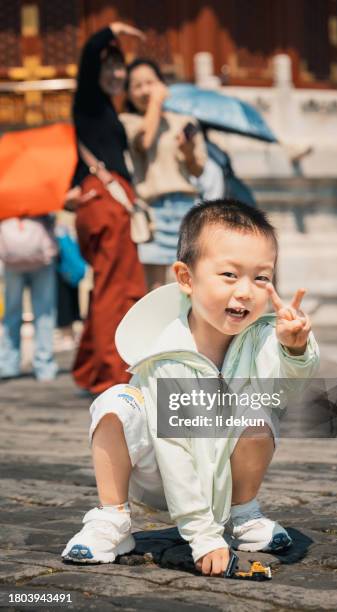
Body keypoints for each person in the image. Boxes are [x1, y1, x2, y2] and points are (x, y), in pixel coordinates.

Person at [61, 199, 319, 575]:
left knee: (260, 408)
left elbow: (290, 392)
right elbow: (174, 453)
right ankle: (111, 519)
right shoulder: (169, 354)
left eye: (261, 277)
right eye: (230, 275)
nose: (246, 291)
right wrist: (203, 536)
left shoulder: (263, 337)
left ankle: (243, 515)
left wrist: (294, 349)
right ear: (186, 278)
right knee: (115, 402)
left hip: (223, 468)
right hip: (157, 468)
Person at [68, 23, 147, 396]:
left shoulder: (104, 111)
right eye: (109, 67)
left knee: (111, 285)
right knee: (115, 289)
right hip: (105, 200)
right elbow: (87, 59)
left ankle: (90, 368)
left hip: (111, 198)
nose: (117, 74)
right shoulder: (88, 101)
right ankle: (112, 374)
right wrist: (111, 31)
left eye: (120, 67)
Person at [120, 58, 207, 289]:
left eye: (150, 82)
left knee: (191, 285)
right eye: (137, 85)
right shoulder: (128, 122)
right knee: (156, 289)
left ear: (161, 83)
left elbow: (197, 169)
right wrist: (156, 103)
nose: (145, 90)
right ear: (127, 93)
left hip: (186, 207)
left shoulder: (184, 121)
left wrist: (187, 152)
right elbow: (145, 142)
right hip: (152, 213)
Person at [0, 215, 58, 381]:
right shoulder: (41, 196)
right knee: (45, 313)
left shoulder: (5, 194)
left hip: (11, 258)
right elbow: (52, 219)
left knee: (11, 312)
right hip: (42, 259)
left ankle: (8, 364)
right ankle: (44, 365)